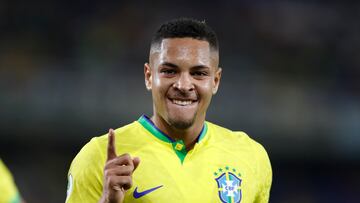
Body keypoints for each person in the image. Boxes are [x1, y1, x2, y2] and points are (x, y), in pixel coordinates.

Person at [65, 18, 272, 203]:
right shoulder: (99, 158)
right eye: (169, 71)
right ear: (148, 76)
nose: (183, 85)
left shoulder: (251, 156)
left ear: (215, 81)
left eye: (198, 73)